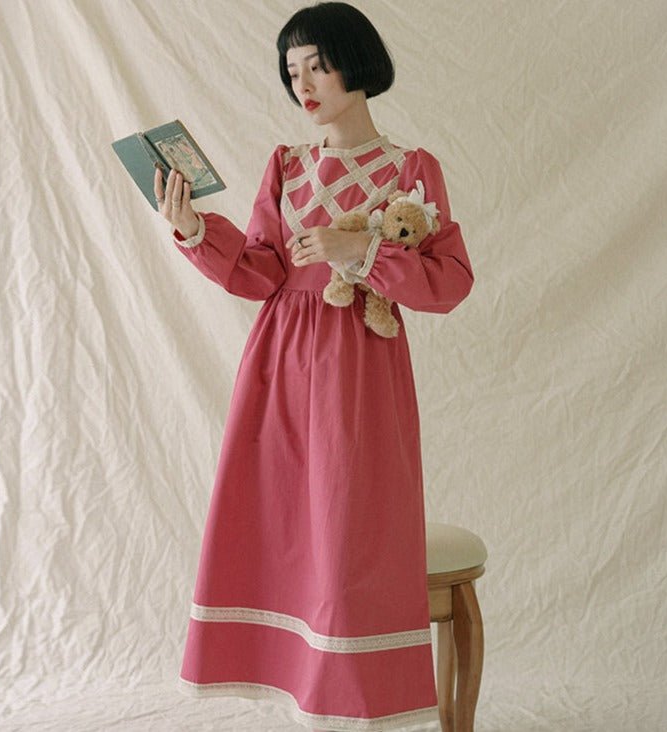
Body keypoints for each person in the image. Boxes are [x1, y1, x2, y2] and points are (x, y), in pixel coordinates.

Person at [155, 3, 474, 730]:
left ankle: (355, 702)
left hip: (359, 371)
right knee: (276, 520)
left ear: (355, 63)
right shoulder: (287, 164)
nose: (303, 84)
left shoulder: (410, 170)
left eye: (318, 66)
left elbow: (450, 282)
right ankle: (291, 688)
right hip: (278, 367)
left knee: (348, 526)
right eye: (292, 70)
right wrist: (195, 228)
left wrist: (361, 252)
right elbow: (262, 271)